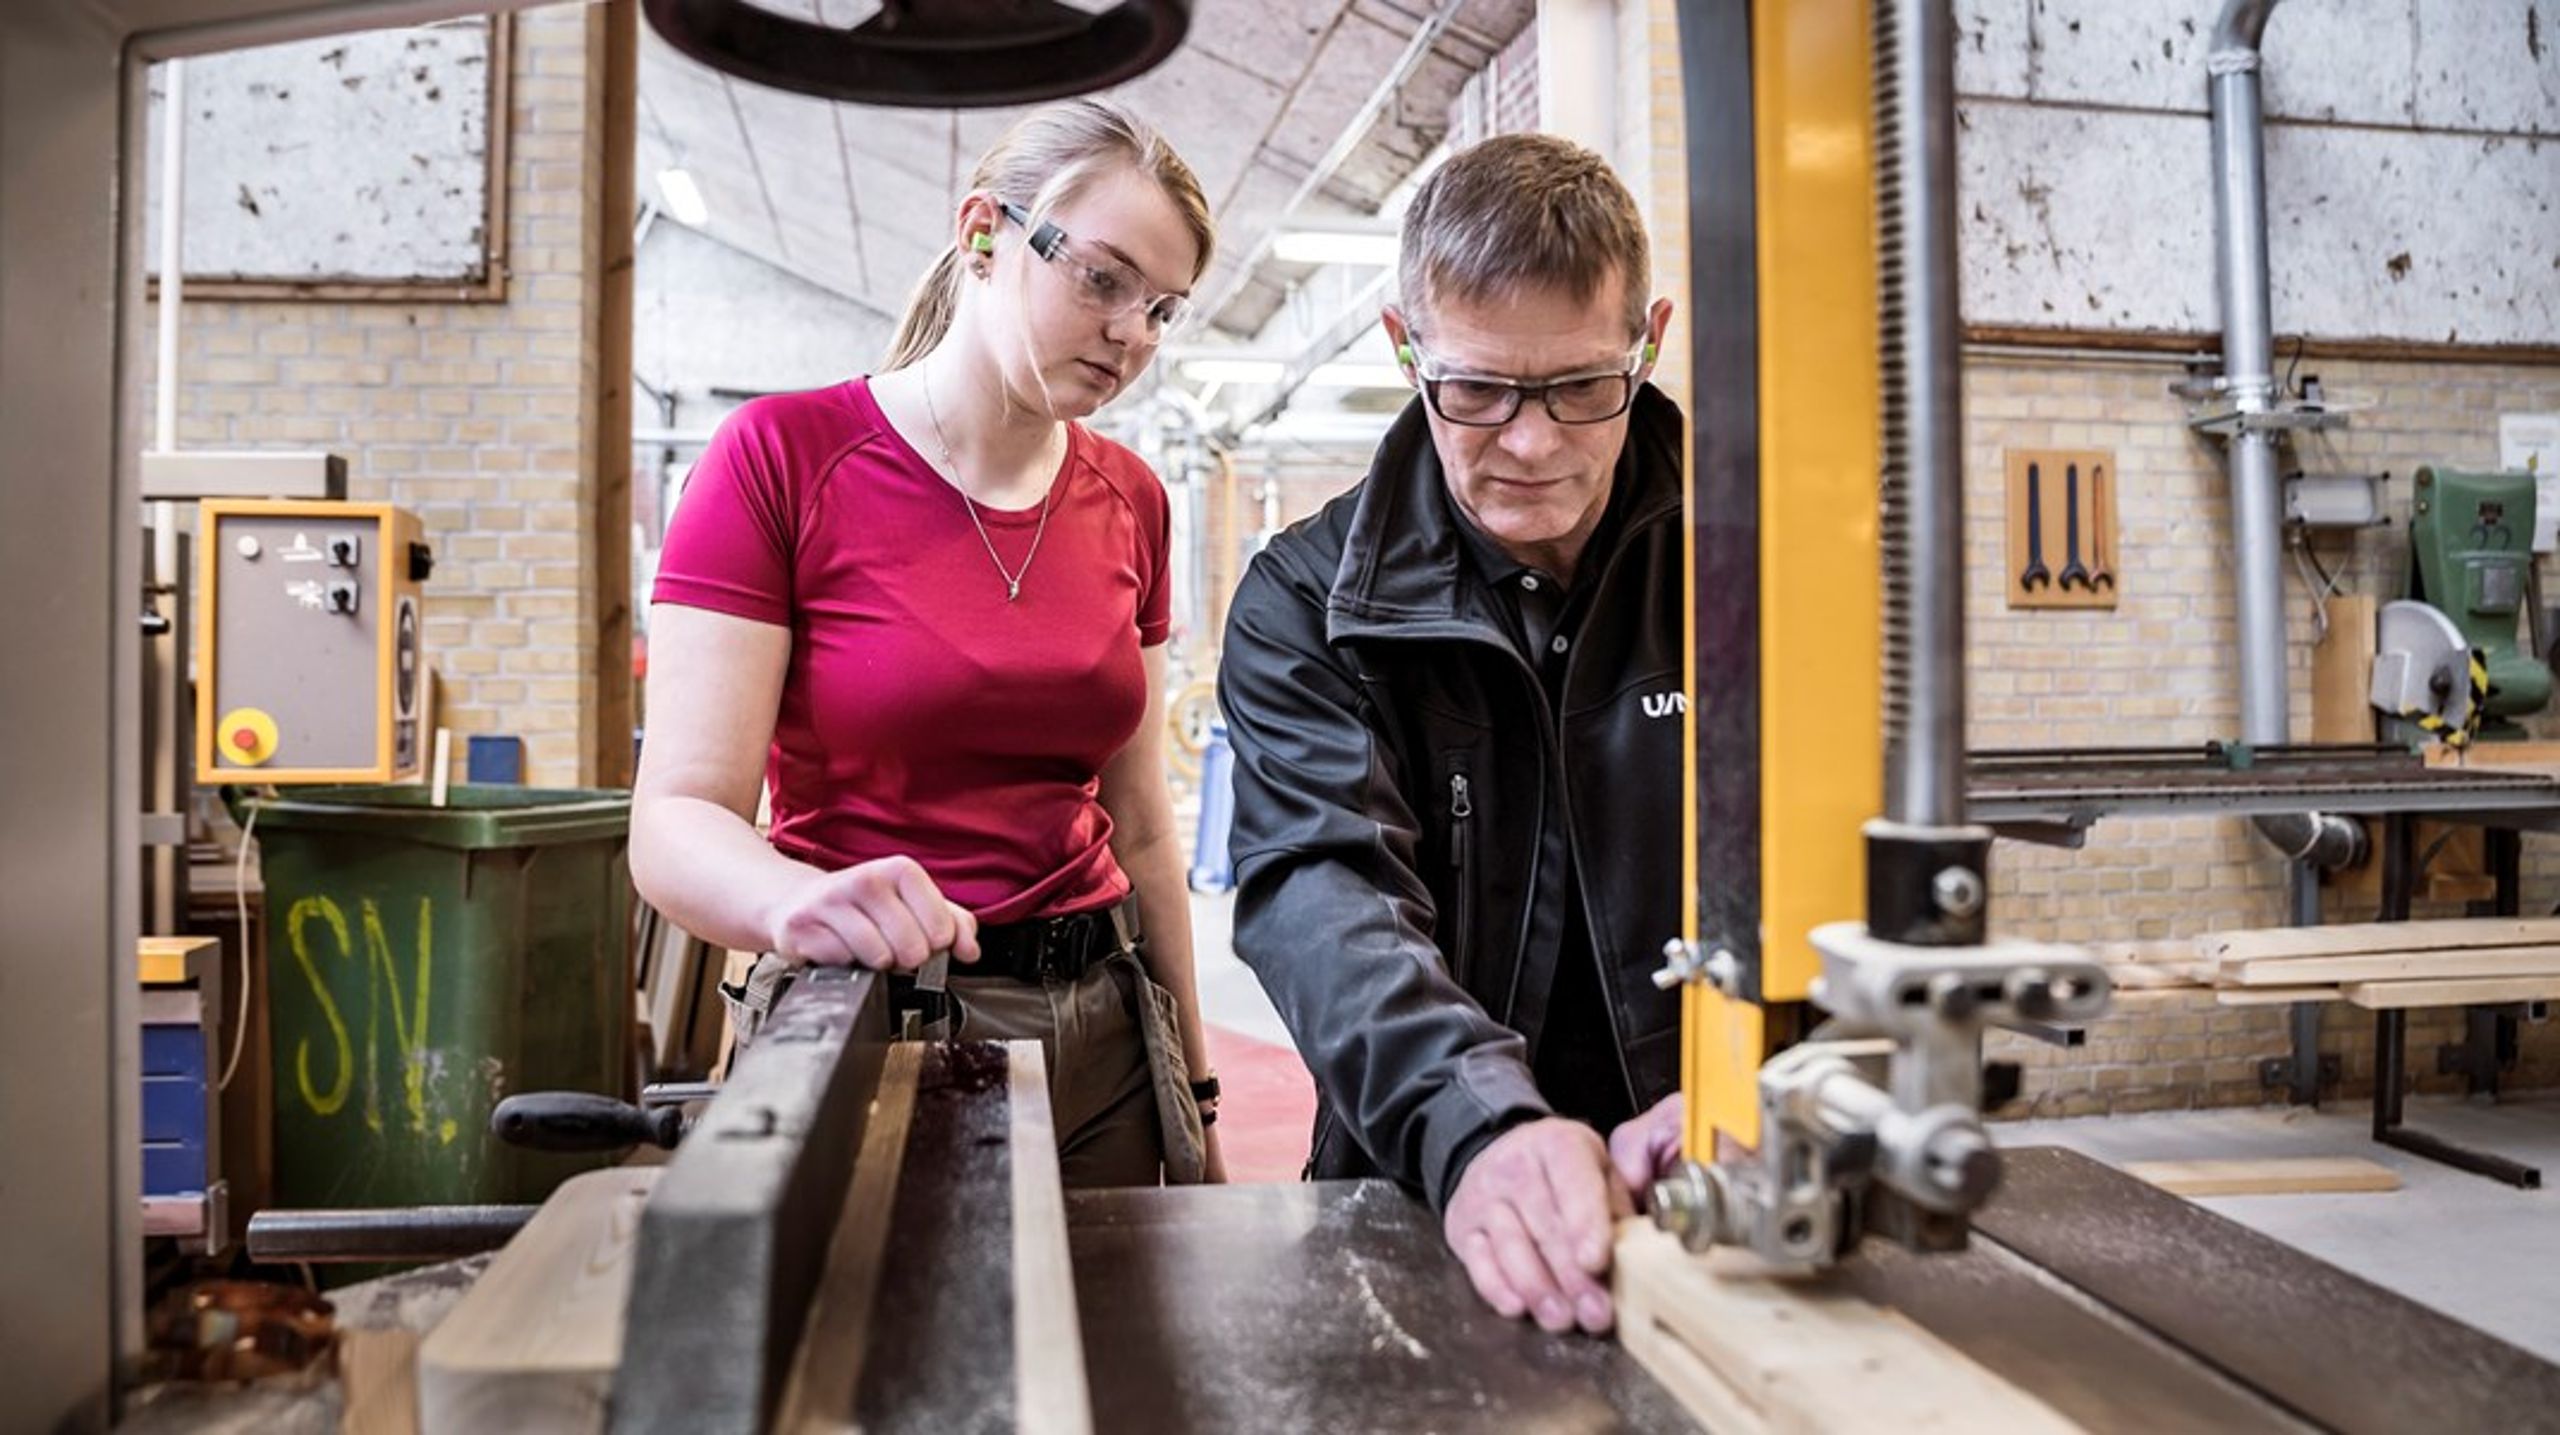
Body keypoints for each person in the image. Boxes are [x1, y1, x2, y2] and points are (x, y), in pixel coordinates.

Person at [632, 98, 1226, 1187]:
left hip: (1106, 1036)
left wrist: (1194, 1088)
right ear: (984, 235)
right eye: (1102, 281)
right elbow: (674, 818)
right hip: (870, 1024)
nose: (1132, 335)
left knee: (1123, 1352)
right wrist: (785, 902)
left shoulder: (1131, 497)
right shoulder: (781, 457)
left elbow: (1142, 829)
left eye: (1162, 309)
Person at [1218, 133, 1688, 1330]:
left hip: (1715, 1180)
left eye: (1585, 387)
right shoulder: (1305, 602)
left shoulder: (1752, 556)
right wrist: (1478, 1125)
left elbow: (1844, 845)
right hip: (1429, 1180)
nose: (1531, 443)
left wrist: (1784, 1077)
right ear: (1402, 348)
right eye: (1475, 390)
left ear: (1652, 339)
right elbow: (1327, 892)